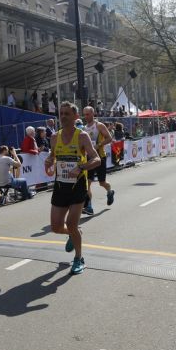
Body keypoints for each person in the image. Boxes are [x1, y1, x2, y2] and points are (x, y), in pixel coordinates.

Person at [44, 101, 101, 275]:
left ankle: (78, 258)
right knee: (55, 227)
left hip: (78, 186)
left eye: (67, 113)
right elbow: (53, 155)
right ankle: (74, 233)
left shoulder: (82, 136)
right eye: (61, 113)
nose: (63, 116)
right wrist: (49, 161)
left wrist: (81, 167)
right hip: (60, 186)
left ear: (75, 116)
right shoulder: (55, 137)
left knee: (71, 223)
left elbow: (96, 159)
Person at [81, 106, 114, 215]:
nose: (86, 116)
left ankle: (110, 191)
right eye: (84, 114)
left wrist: (98, 145)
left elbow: (109, 138)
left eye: (88, 114)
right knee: (87, 183)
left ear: (93, 113)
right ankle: (89, 206)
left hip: (100, 157)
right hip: (89, 158)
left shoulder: (99, 125)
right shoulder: (84, 128)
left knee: (102, 182)